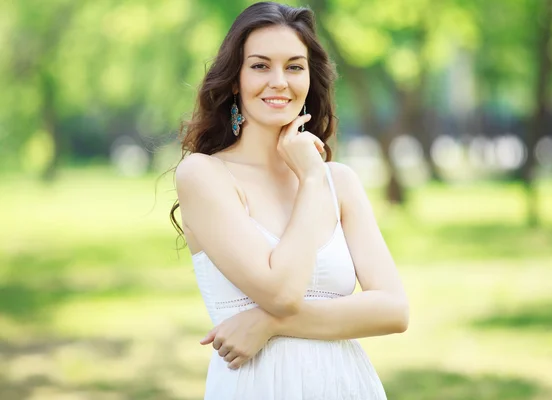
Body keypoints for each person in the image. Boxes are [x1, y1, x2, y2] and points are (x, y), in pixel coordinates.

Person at [171, 2, 409, 399]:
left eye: (294, 67)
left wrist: (269, 325)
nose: (279, 81)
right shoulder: (204, 175)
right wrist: (312, 178)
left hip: (346, 385)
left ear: (310, 79)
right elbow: (280, 293)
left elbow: (394, 310)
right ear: (235, 80)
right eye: (260, 66)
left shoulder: (340, 182)